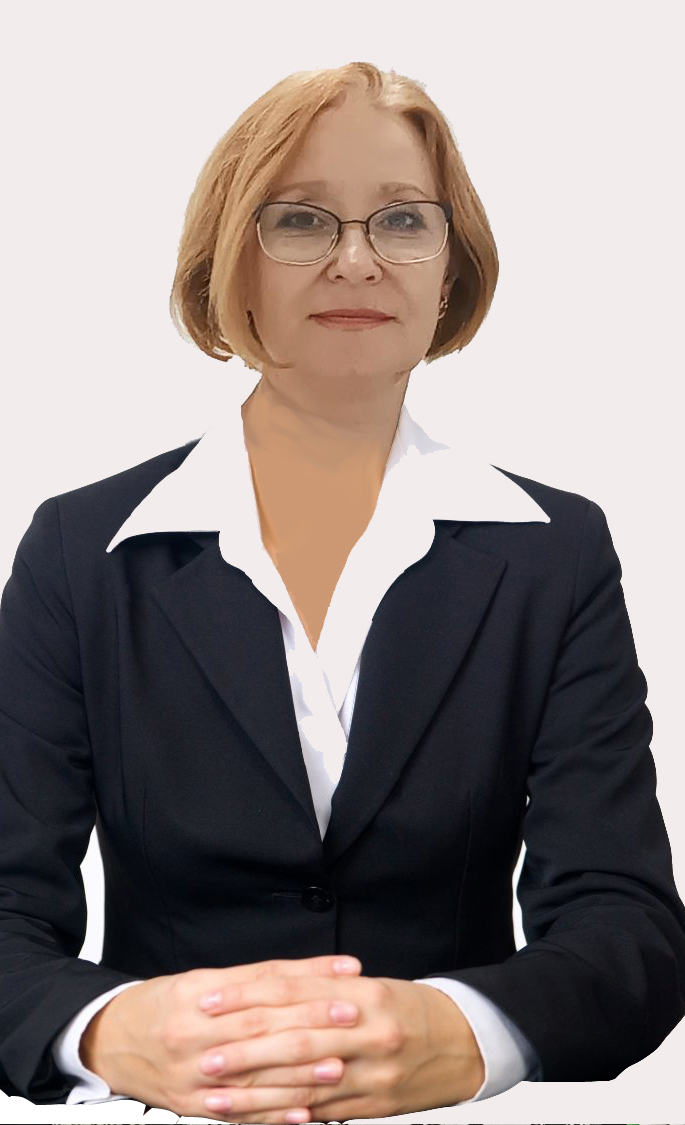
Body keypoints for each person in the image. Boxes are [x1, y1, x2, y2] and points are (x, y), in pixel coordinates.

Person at [0, 59, 683, 1125]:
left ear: (448, 274)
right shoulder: (81, 551)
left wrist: (462, 1029)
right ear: (230, 266)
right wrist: (109, 1029)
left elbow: (625, 924)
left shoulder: (555, 555)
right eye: (300, 220)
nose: (356, 259)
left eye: (403, 221)